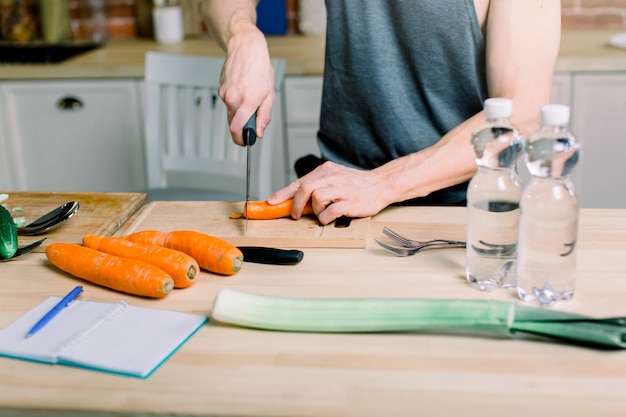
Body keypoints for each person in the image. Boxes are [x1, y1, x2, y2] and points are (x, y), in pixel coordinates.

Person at [201, 0, 561, 225]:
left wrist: (382, 184)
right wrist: (242, 36)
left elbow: (518, 116)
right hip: (335, 202)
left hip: (460, 213)